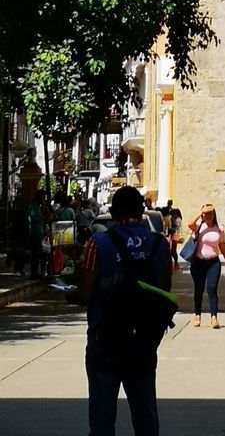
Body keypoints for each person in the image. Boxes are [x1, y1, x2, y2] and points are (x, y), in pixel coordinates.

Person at [66, 184, 172, 436]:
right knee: (146, 417)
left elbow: (85, 294)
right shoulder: (160, 245)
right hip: (144, 341)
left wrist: (70, 294)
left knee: (102, 419)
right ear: (142, 209)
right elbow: (164, 294)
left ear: (113, 212)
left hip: (106, 340)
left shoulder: (97, 243)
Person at [187, 203, 225, 328]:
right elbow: (189, 224)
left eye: (210, 213)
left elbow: (222, 246)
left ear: (214, 214)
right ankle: (197, 315)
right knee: (199, 289)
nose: (208, 216)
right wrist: (199, 215)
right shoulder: (199, 226)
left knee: (212, 288)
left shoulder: (219, 229)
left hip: (213, 262)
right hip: (198, 262)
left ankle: (214, 317)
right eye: (206, 213)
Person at [28, 188, 52, 279]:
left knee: (39, 253)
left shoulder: (39, 207)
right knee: (35, 254)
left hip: (40, 232)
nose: (44, 199)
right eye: (43, 197)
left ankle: (37, 272)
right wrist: (43, 217)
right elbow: (35, 218)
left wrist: (45, 208)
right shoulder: (34, 207)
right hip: (35, 232)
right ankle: (34, 273)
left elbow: (48, 218)